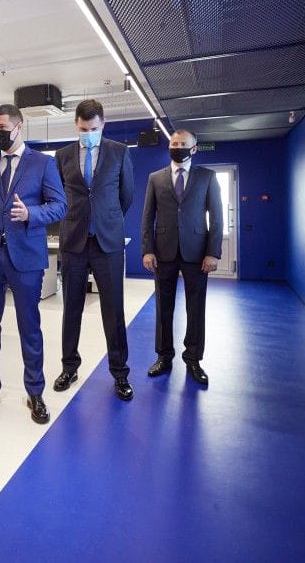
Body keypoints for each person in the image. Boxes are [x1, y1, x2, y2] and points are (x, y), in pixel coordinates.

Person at [0, 104, 67, 424]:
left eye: (3, 128)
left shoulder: (43, 164)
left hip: (26, 257)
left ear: (19, 127)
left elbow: (60, 206)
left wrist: (32, 213)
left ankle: (35, 392)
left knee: (29, 326)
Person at [53, 99, 135, 400]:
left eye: (94, 129)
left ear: (103, 124)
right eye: (83, 129)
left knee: (113, 310)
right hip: (73, 242)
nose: (88, 134)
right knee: (71, 308)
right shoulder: (62, 156)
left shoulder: (119, 152)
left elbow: (126, 196)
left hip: (107, 243)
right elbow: (57, 196)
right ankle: (69, 367)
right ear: (76, 125)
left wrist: (106, 220)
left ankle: (120, 373)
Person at [141, 129, 223, 385]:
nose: (177, 147)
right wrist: (147, 249)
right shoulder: (155, 178)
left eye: (183, 144)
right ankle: (163, 357)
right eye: (174, 143)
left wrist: (213, 252)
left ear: (194, 148)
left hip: (197, 253)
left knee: (195, 308)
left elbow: (217, 217)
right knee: (163, 307)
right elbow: (147, 217)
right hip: (163, 251)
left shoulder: (207, 177)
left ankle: (193, 359)